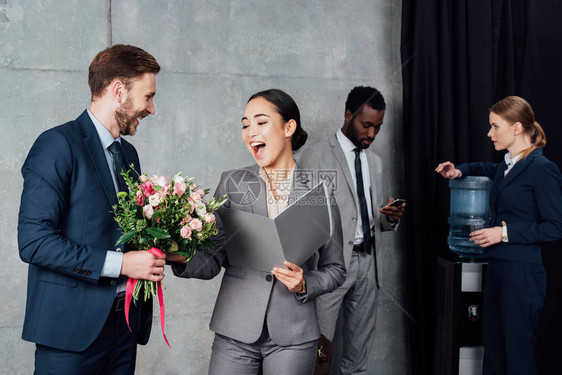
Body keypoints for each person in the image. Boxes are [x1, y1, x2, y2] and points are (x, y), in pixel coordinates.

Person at [169, 89, 346, 375]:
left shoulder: (319, 192)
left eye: (261, 122)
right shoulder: (232, 182)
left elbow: (336, 268)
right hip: (234, 330)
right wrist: (178, 256)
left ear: (289, 128)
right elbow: (213, 257)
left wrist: (305, 284)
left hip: (293, 335)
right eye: (245, 124)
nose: (251, 131)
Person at [17, 44, 165, 375]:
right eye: (148, 97)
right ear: (118, 90)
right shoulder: (57, 144)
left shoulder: (129, 155)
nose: (152, 109)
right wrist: (122, 263)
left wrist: (170, 248)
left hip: (124, 327)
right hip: (71, 333)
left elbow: (122, 234)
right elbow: (33, 241)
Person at [435, 96, 562, 374]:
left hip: (523, 274)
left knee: (518, 356)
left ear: (516, 128)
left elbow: (555, 226)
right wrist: (458, 171)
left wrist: (503, 233)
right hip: (498, 270)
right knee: (493, 352)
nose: (489, 133)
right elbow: (486, 168)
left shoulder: (542, 169)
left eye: (495, 126)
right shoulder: (507, 166)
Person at [298, 86, 405, 374]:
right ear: (348, 115)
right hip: (330, 267)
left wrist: (390, 217)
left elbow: (371, 220)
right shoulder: (315, 157)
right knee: (318, 354)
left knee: (357, 359)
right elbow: (304, 222)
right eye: (366, 125)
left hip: (368, 265)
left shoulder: (376, 162)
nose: (371, 134)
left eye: (378, 128)